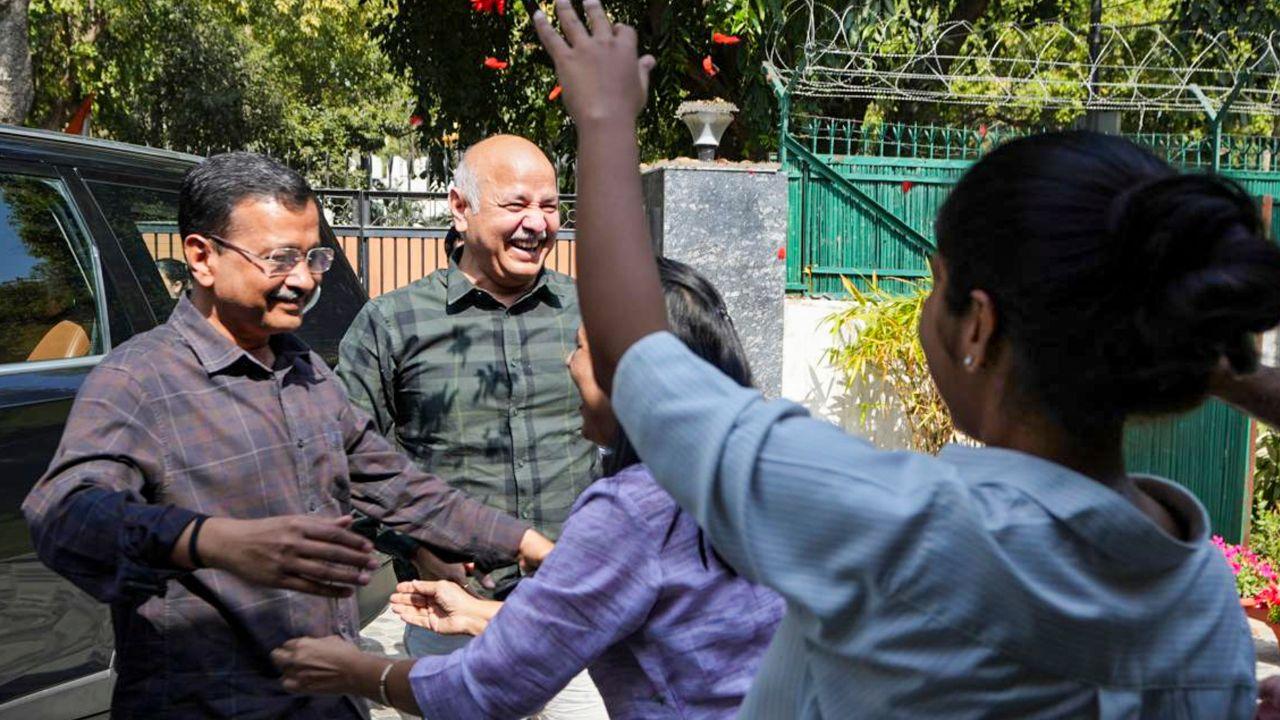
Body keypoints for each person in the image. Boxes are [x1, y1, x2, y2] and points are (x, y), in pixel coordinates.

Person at [522, 1, 1280, 716]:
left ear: (977, 326)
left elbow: (638, 361)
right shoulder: (1206, 605)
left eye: (936, 286)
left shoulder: (906, 529)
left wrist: (604, 117)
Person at [21, 151, 552, 719]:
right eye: (279, 259)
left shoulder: (306, 374)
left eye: (313, 256)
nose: (303, 280)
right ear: (202, 257)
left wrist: (525, 544)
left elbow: (400, 488)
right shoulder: (139, 380)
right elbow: (64, 518)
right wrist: (209, 541)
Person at [272, 257, 785, 719]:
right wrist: (480, 613)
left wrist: (354, 670)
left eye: (580, 347)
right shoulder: (752, 466)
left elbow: (488, 689)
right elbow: (638, 621)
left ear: (633, 371)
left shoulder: (631, 509)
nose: (567, 363)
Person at [336, 135, 605, 715]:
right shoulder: (392, 324)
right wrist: (415, 543)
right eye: (516, 205)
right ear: (461, 207)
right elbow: (349, 462)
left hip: (572, 612)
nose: (537, 223)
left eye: (551, 206)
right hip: (449, 617)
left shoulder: (589, 314)